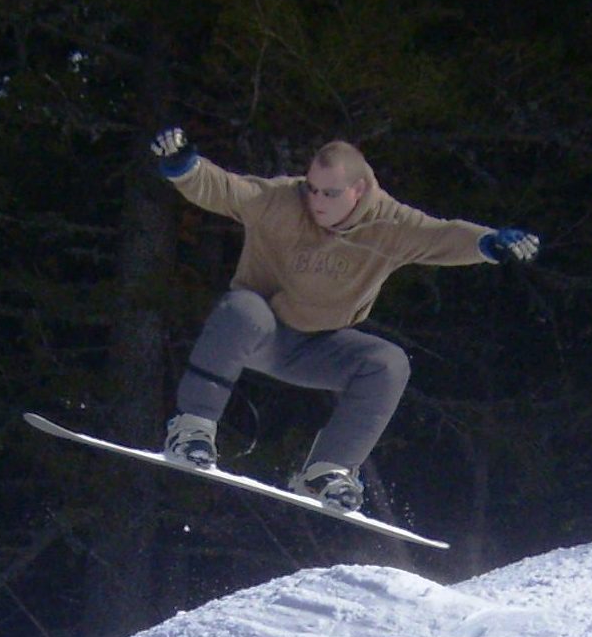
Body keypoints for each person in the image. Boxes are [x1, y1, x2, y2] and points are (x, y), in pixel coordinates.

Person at [151, 127, 539, 511]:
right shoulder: (281, 200)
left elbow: (442, 236)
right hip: (259, 333)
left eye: (330, 194)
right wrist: (183, 165)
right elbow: (224, 188)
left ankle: (327, 471)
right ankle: (192, 430)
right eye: (312, 189)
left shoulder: (390, 225)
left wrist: (489, 243)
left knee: (387, 363)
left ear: (359, 190)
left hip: (317, 347)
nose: (316, 201)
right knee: (243, 309)